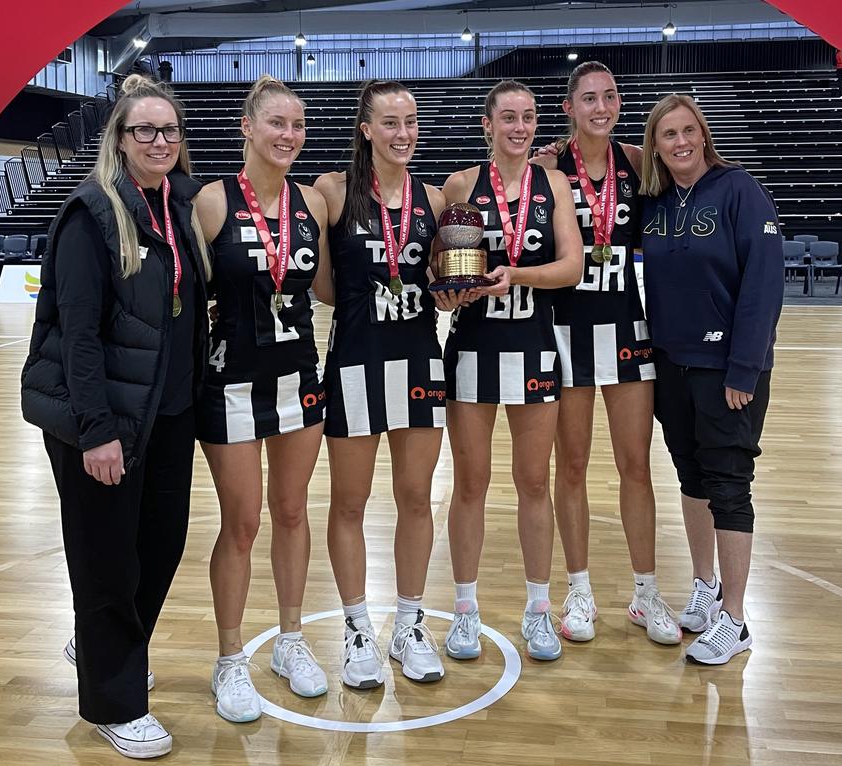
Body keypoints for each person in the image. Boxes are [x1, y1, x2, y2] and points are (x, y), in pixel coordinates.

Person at [20, 74, 211, 759]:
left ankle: (104, 647)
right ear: (121, 140)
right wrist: (96, 430)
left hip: (167, 414)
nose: (160, 141)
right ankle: (114, 702)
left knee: (158, 547)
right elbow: (76, 334)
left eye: (169, 130)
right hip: (103, 421)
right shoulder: (91, 213)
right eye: (145, 130)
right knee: (106, 562)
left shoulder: (180, 206)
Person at [192, 75, 332, 721]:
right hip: (232, 385)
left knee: (294, 512)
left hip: (298, 378)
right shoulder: (212, 202)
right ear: (246, 128)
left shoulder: (313, 204)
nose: (289, 135)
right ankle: (229, 659)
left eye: (298, 125)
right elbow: (185, 298)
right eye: (277, 123)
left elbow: (327, 288)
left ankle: (291, 640)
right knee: (243, 524)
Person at [531, 61, 680, 646]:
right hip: (564, 329)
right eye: (589, 97)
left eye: (610, 96)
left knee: (635, 466)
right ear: (570, 109)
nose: (601, 105)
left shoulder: (639, 164)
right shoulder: (548, 169)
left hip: (625, 327)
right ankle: (580, 587)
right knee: (570, 466)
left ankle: (646, 592)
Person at [314, 80, 454, 688]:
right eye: (390, 123)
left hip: (421, 359)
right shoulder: (332, 192)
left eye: (411, 122)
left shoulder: (433, 199)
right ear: (366, 129)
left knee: (416, 499)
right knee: (350, 502)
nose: (404, 134)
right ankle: (354, 630)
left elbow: (444, 277)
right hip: (353, 362)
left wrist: (450, 290)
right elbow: (320, 284)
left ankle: (410, 625)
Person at [440, 80, 582, 662]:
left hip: (534, 346)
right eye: (508, 117)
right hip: (473, 347)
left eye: (527, 117)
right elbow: (444, 278)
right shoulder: (460, 186)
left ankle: (538, 609)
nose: (519, 127)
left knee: (534, 483)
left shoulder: (554, 184)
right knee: (470, 484)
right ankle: (466, 610)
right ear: (487, 125)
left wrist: (515, 276)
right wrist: (451, 294)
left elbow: (572, 266)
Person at [639, 93, 783, 665]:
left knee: (728, 484)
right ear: (655, 145)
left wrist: (744, 367)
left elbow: (764, 286)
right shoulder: (655, 202)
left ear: (703, 134)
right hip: (672, 366)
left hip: (728, 370)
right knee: (691, 477)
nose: (679, 142)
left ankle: (737, 619)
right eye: (667, 134)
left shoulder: (740, 191)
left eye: (687, 131)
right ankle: (706, 587)